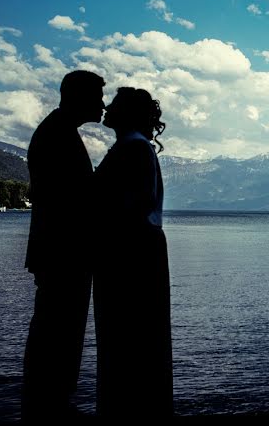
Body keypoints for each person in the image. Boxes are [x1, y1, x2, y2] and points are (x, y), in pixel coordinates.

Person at [22, 70, 105, 420]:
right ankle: (49, 406)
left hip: (59, 252)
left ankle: (49, 401)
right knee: (57, 331)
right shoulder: (58, 136)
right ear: (79, 97)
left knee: (56, 330)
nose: (102, 104)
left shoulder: (57, 131)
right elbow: (71, 201)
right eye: (98, 97)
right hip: (63, 254)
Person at [93, 87, 173, 419]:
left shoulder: (133, 150)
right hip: (138, 250)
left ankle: (129, 410)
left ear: (127, 112)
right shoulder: (135, 147)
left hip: (131, 254)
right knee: (138, 336)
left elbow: (134, 204)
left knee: (127, 335)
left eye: (114, 104)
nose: (107, 108)